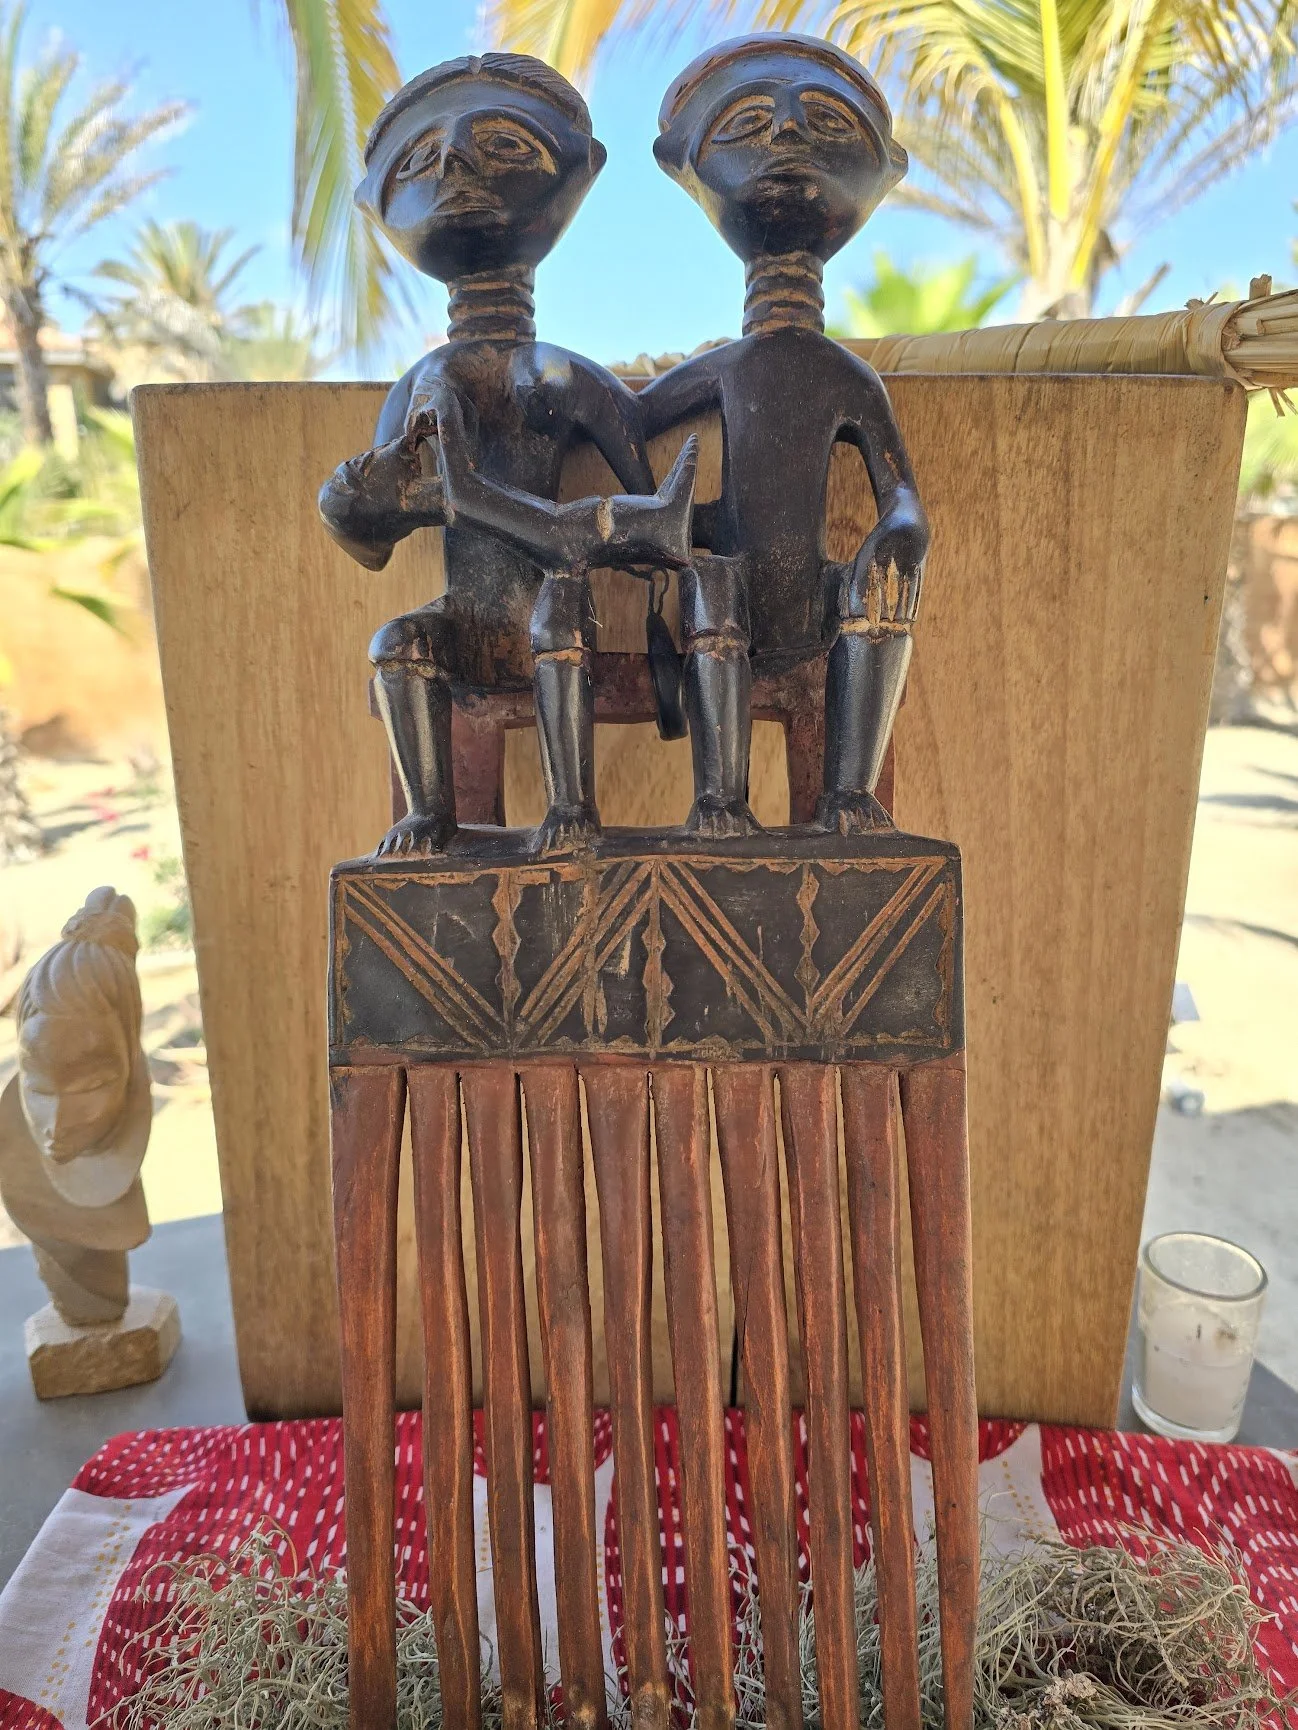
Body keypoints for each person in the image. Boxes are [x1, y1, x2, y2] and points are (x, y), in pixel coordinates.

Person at [319, 53, 689, 855]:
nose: (454, 164)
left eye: (506, 144)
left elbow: (648, 492)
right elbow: (370, 544)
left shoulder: (557, 372)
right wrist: (362, 501)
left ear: (579, 174)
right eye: (419, 158)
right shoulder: (424, 384)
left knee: (561, 623)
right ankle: (428, 817)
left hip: (554, 599)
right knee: (397, 644)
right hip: (470, 613)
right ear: (377, 207)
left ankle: (570, 810)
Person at [641, 34, 930, 836]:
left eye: (827, 122)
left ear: (883, 174)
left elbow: (898, 495)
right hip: (725, 602)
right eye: (748, 123)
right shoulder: (725, 368)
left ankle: (847, 794)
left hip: (819, 599)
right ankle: (719, 803)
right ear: (685, 166)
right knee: (717, 589)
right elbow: (627, 429)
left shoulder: (848, 378)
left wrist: (902, 533)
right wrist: (671, 529)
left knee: (874, 593)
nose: (790, 135)